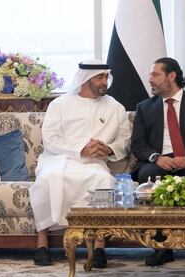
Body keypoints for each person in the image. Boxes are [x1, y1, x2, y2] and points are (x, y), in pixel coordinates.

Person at [29, 60, 131, 267]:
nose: (105, 82)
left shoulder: (115, 107)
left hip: (94, 163)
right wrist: (80, 150)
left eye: (106, 77)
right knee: (47, 180)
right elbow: (51, 140)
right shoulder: (60, 104)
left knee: (103, 179)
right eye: (100, 78)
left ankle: (100, 247)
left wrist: (109, 149)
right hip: (58, 159)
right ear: (85, 79)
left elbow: (125, 142)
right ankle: (42, 243)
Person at [130, 57, 185, 267]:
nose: (150, 79)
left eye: (155, 75)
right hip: (160, 161)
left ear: (171, 76)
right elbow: (138, 143)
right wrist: (156, 158)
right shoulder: (144, 107)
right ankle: (161, 246)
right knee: (147, 176)